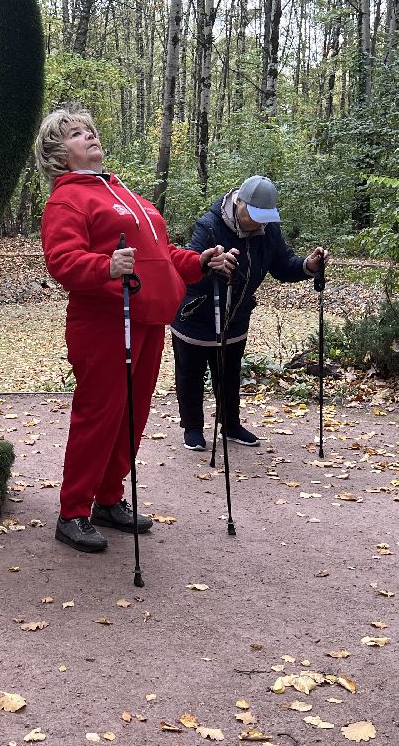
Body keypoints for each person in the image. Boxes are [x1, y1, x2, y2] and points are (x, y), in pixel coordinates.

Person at [37, 106, 236, 553]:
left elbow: (160, 254)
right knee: (100, 415)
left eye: (90, 129)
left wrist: (200, 261)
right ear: (58, 154)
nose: (89, 135)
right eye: (76, 133)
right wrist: (105, 267)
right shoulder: (67, 199)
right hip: (104, 322)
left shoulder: (121, 190)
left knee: (132, 415)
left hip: (147, 320)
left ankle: (108, 500)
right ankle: (73, 511)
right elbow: (61, 260)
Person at [171, 175, 327, 451]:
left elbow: (283, 265)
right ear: (238, 202)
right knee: (190, 374)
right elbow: (190, 266)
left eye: (264, 217)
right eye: (254, 215)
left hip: (236, 316)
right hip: (196, 314)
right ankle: (192, 428)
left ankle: (231, 425)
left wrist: (308, 265)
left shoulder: (269, 230)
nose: (258, 222)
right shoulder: (209, 225)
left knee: (229, 373)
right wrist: (212, 264)